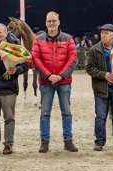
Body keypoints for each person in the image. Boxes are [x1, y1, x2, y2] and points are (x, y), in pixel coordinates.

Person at [31, 11, 79, 153]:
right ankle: (44, 141)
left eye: (54, 21)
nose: (51, 23)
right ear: (46, 23)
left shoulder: (68, 39)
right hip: (46, 82)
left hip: (64, 82)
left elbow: (73, 59)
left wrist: (60, 76)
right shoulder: (38, 39)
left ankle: (68, 141)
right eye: (49, 21)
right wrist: (49, 75)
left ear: (59, 22)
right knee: (45, 113)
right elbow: (36, 59)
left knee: (67, 112)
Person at [0, 23, 29, 155]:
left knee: (9, 118)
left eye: (0, 33)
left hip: (8, 89)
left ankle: (8, 144)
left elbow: (25, 65)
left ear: (6, 34)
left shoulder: (14, 47)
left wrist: (17, 69)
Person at [86, 24, 113, 151]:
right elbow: (90, 68)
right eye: (102, 33)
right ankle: (99, 142)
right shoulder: (94, 50)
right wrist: (105, 75)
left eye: (106, 33)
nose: (103, 35)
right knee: (100, 117)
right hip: (101, 89)